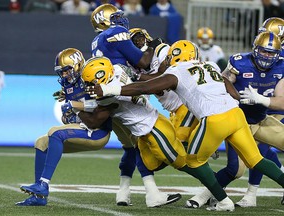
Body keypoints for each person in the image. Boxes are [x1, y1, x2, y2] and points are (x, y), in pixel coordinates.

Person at [91, 39, 284, 212]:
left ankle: (224, 201)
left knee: (192, 161)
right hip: (236, 115)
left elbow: (144, 88)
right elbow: (233, 93)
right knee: (256, 160)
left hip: (215, 119)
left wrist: (109, 88)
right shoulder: (211, 65)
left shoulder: (177, 71)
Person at [89, 4, 180, 207]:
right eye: (115, 16)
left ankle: (123, 192)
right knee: (142, 144)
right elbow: (142, 62)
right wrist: (152, 45)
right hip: (122, 95)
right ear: (105, 20)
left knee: (130, 147)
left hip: (109, 100)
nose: (120, 19)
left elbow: (141, 74)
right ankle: (152, 194)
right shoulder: (116, 33)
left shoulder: (97, 41)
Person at [186, 31, 284, 209]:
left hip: (262, 120)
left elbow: (282, 100)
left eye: (271, 53)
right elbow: (221, 82)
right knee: (235, 170)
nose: (267, 56)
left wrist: (261, 100)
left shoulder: (281, 67)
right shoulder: (240, 62)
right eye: (264, 51)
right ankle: (204, 195)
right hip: (238, 122)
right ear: (255, 49)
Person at [15, 48, 112, 206]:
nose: (64, 75)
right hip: (84, 127)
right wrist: (69, 114)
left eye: (67, 71)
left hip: (98, 131)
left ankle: (43, 184)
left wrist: (75, 105)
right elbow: (73, 115)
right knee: (41, 143)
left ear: (77, 65)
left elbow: (101, 106)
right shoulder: (68, 85)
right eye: (62, 72)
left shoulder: (90, 76)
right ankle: (38, 197)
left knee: (55, 132)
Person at [235, 16, 284, 207]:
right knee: (257, 150)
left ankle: (251, 194)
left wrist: (264, 99)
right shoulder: (264, 52)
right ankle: (251, 194)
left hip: (274, 103)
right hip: (263, 104)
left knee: (259, 150)